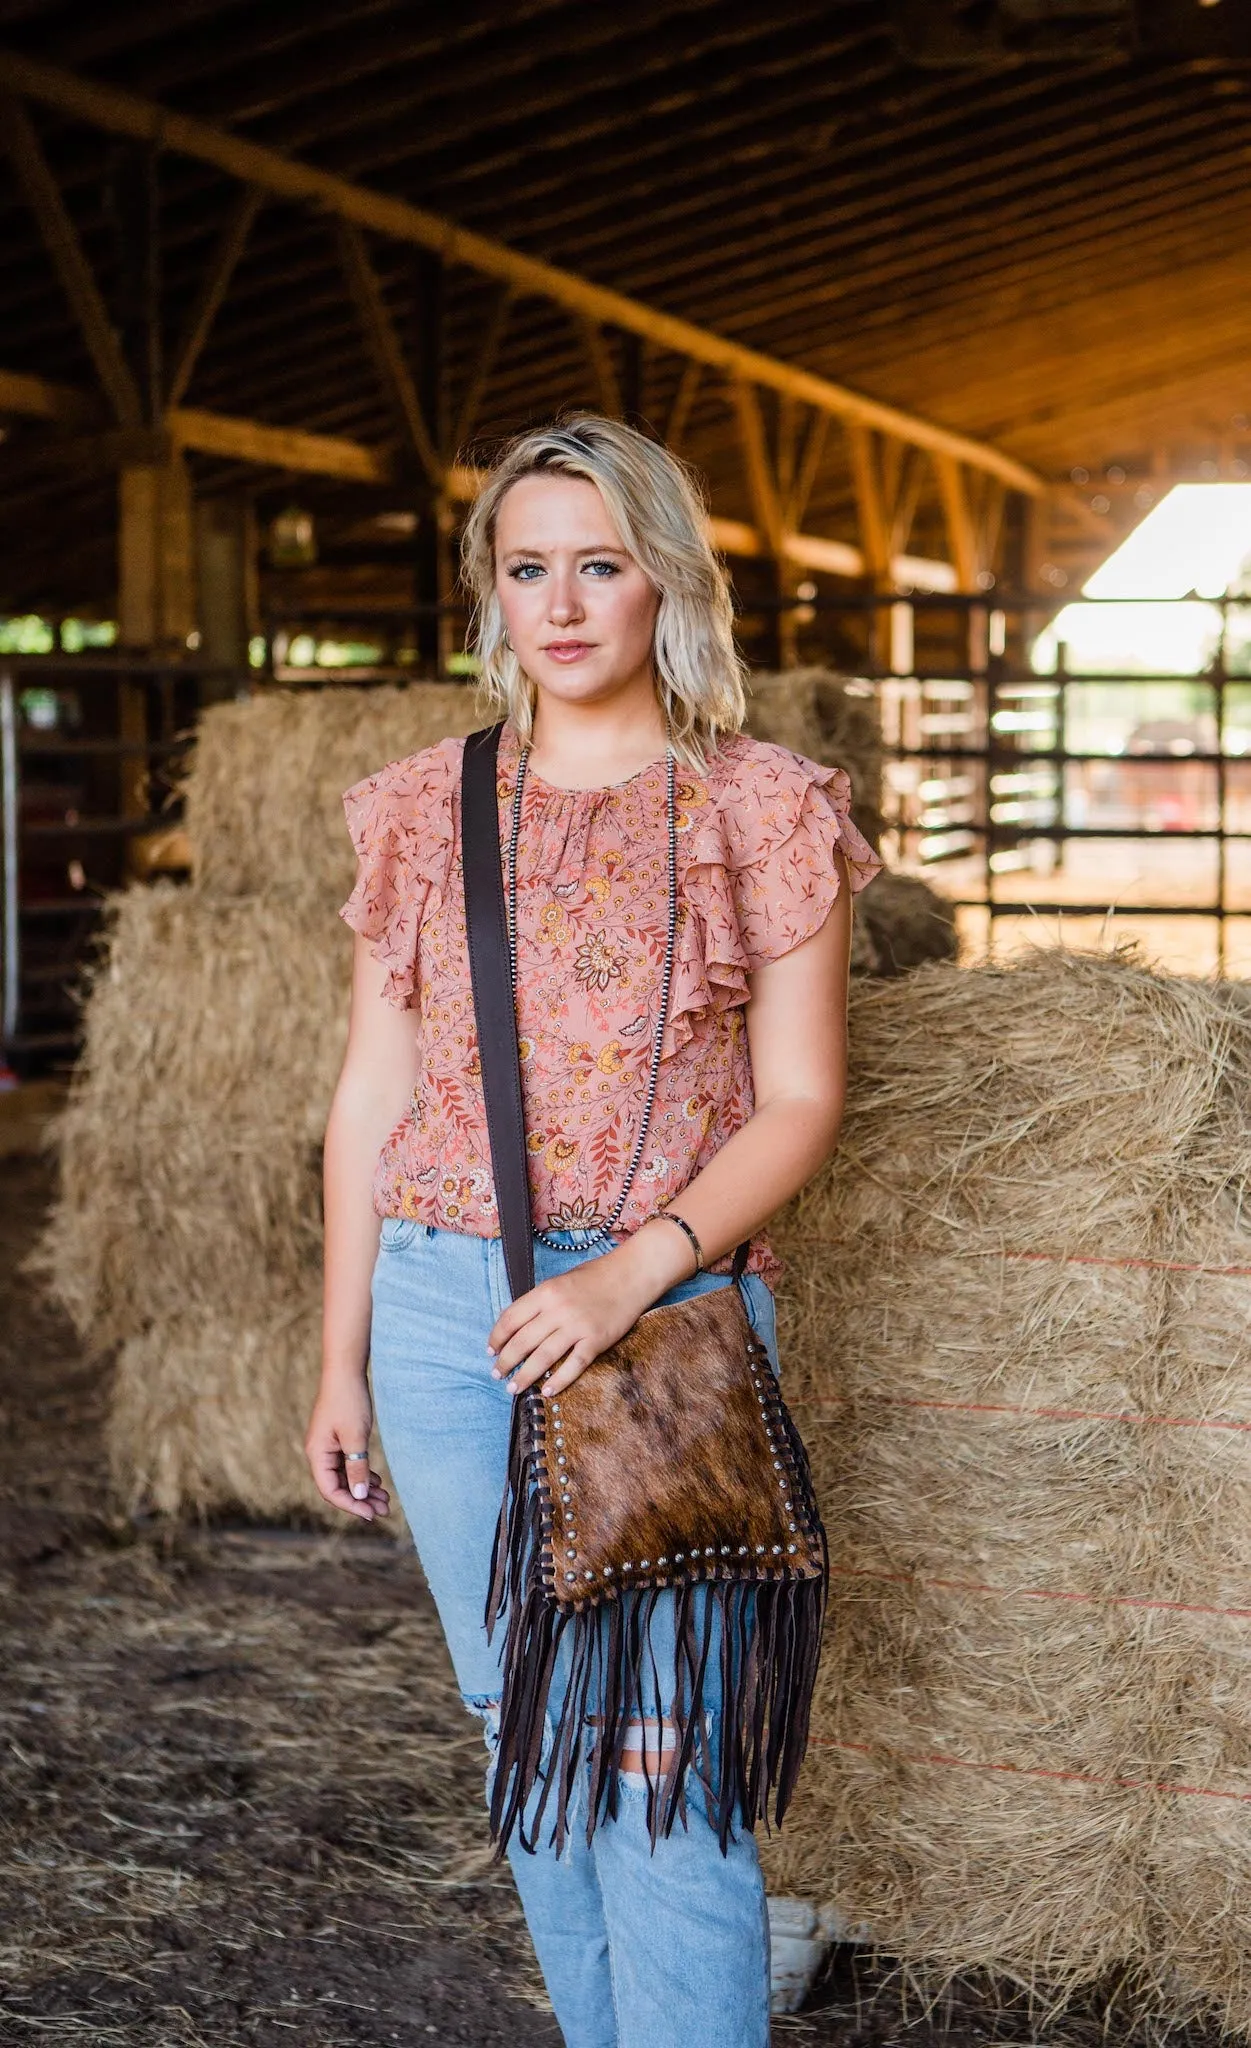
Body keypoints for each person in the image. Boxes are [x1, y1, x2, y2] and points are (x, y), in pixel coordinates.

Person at [305, 413, 881, 2046]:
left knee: (657, 1763)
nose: (560, 605)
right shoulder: (423, 809)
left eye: (600, 566)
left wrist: (630, 1269)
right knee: (529, 1743)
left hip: (660, 1324)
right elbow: (371, 1094)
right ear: (492, 595)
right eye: (525, 567)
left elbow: (800, 1103)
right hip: (438, 1312)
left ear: (665, 585)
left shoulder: (757, 806)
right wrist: (337, 1354)